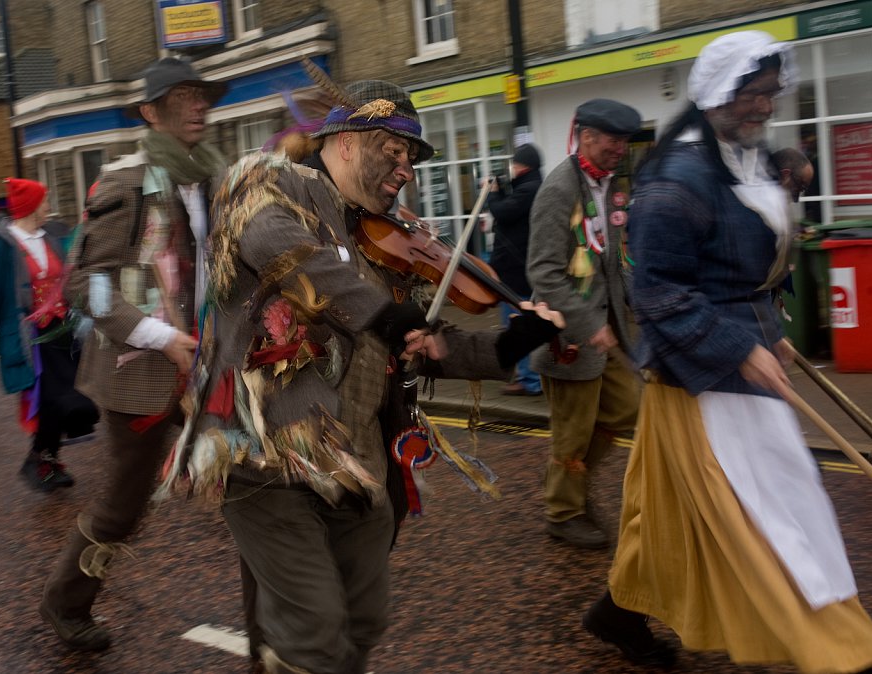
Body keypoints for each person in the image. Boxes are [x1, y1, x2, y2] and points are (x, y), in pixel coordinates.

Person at [189, 79, 563, 674]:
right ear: (343, 141)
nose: (405, 169)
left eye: (410, 158)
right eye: (393, 150)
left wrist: (514, 343)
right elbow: (282, 250)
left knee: (363, 621)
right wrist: (384, 313)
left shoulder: (387, 237)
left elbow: (423, 344)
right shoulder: (270, 183)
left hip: (357, 457)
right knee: (313, 630)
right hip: (269, 452)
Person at [582, 31, 872, 674]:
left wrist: (770, 325)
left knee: (673, 523)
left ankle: (617, 613)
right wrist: (736, 346)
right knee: (769, 514)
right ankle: (843, 656)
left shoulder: (737, 158)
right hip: (702, 376)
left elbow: (745, 265)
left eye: (770, 93)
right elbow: (657, 290)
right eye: (751, 94)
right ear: (716, 94)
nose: (763, 106)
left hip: (729, 364)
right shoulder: (677, 175)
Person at [37, 56, 228, 651]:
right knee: (124, 507)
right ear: (151, 112)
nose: (199, 105)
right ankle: (66, 603)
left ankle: (280, 632)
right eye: (184, 97)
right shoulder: (125, 184)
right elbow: (85, 286)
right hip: (141, 372)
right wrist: (160, 336)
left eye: (203, 95)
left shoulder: (213, 179)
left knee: (256, 489)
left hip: (208, 366)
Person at [526, 98, 643, 549]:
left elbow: (614, 259)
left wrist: (640, 302)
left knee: (627, 406)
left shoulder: (611, 185)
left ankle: (572, 485)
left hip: (609, 329)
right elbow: (544, 273)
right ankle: (563, 513)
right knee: (572, 431)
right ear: (587, 136)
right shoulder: (559, 188)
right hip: (568, 334)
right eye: (613, 140)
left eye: (625, 141)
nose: (620, 148)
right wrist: (587, 322)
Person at [0, 178, 99, 492]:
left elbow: (72, 279)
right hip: (31, 341)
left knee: (66, 402)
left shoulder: (52, 237)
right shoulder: (1, 247)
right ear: (30, 206)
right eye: (44, 201)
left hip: (62, 333)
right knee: (56, 400)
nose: (49, 206)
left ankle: (44, 459)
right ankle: (43, 461)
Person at [486, 143, 544, 396]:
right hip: (518, 267)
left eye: (515, 163)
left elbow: (503, 211)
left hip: (515, 270)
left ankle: (530, 380)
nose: (512, 167)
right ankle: (528, 376)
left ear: (523, 166)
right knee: (520, 321)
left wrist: (492, 193)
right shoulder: (530, 187)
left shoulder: (529, 190)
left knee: (516, 323)